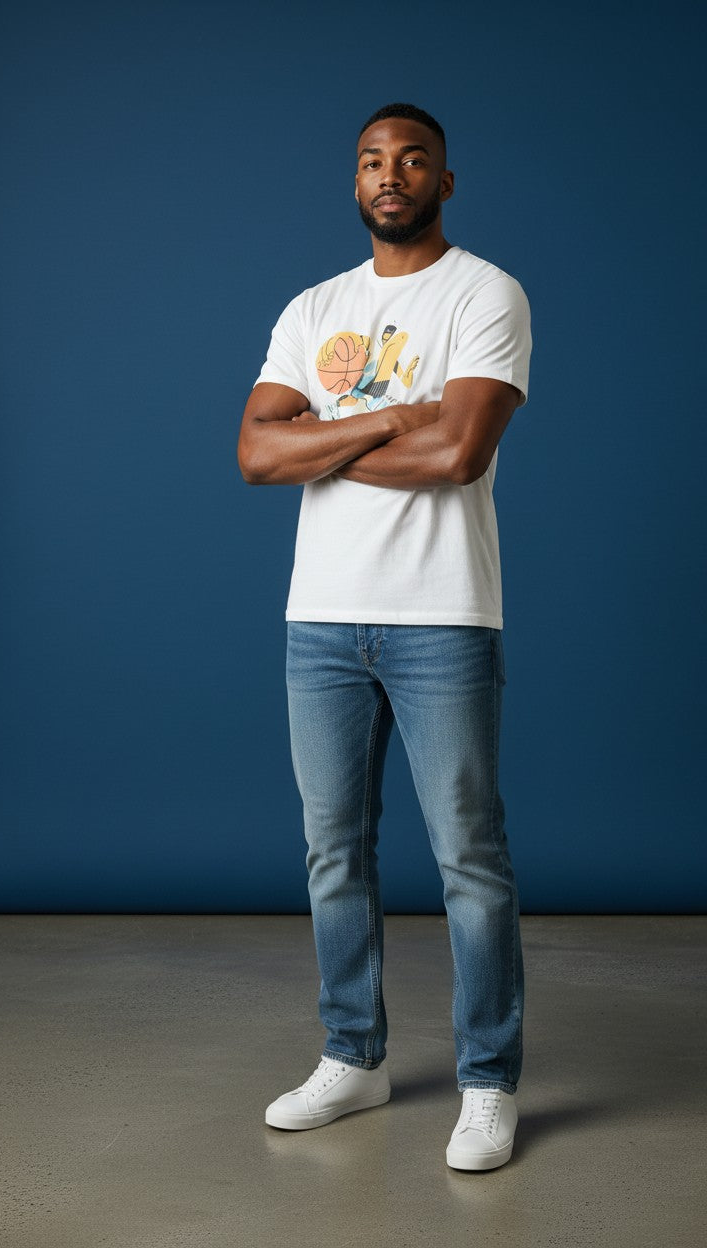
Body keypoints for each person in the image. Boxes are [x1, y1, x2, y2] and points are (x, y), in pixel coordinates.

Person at [237, 102, 531, 1172]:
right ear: (355, 181)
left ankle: (488, 1081)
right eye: (371, 161)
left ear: (443, 182)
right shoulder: (313, 307)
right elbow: (254, 455)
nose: (390, 174)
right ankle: (352, 1056)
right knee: (333, 851)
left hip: (442, 613)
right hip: (320, 618)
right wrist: (392, 417)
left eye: (411, 160)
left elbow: (458, 455)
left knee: (469, 858)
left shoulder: (485, 293)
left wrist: (318, 437)